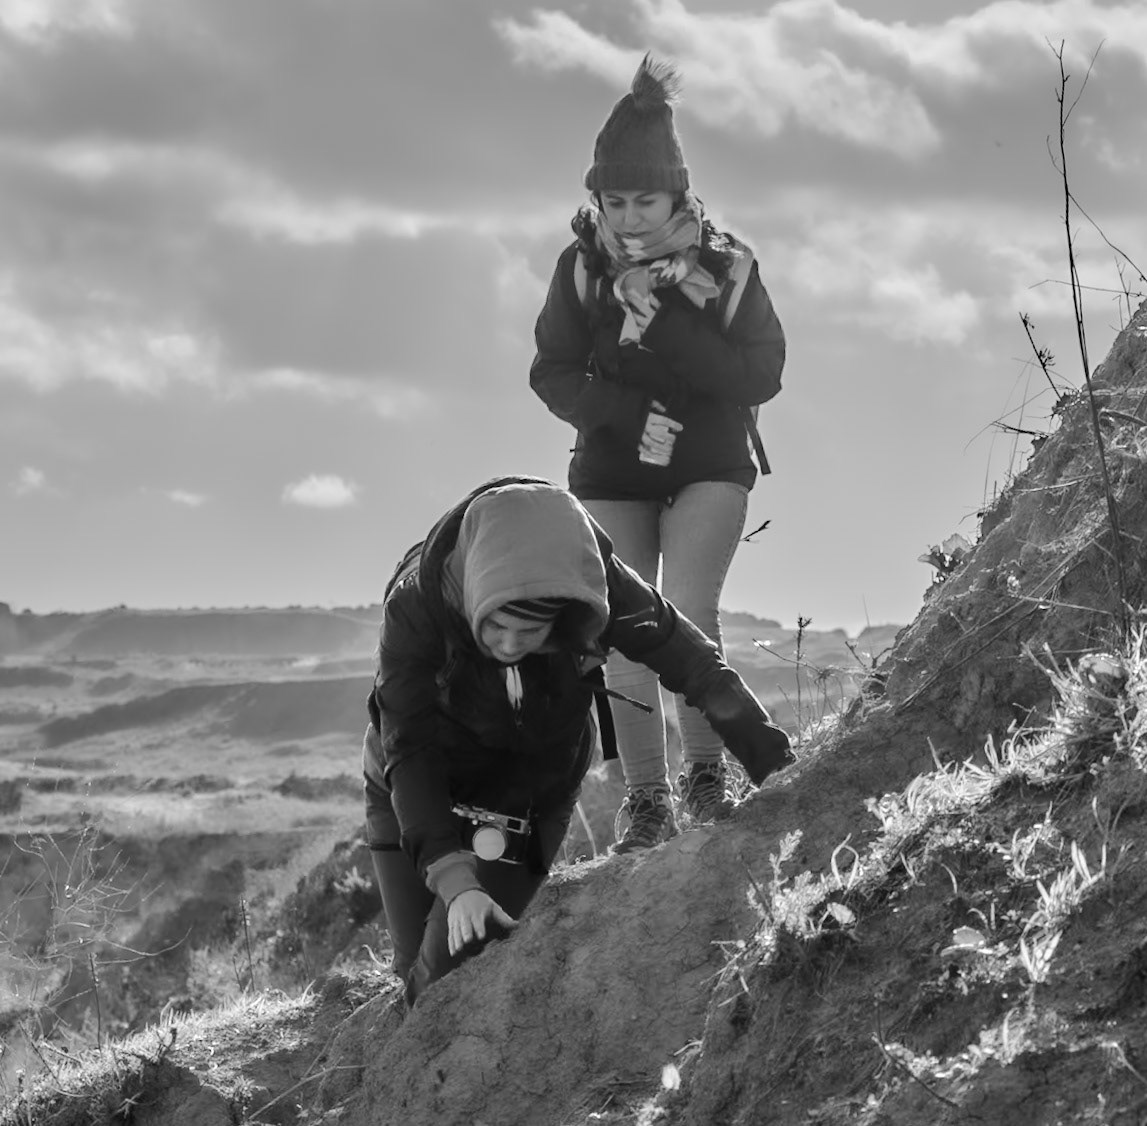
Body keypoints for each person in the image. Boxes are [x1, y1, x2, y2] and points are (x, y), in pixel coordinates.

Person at [362, 476, 792, 1005]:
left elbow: (693, 663)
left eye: (531, 633)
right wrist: (455, 880)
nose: (509, 646)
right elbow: (409, 749)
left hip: (526, 794)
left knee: (448, 974)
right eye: (495, 626)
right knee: (411, 969)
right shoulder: (417, 606)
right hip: (411, 780)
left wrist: (775, 761)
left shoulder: (591, 581)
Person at [529, 54, 788, 852]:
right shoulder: (582, 270)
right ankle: (647, 800)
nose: (631, 217)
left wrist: (672, 328)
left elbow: (762, 374)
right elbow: (550, 371)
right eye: (615, 200)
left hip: (710, 462)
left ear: (678, 193)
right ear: (596, 198)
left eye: (645, 199)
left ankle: (707, 777)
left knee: (687, 613)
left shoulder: (727, 269)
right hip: (611, 469)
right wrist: (613, 411)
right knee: (618, 631)